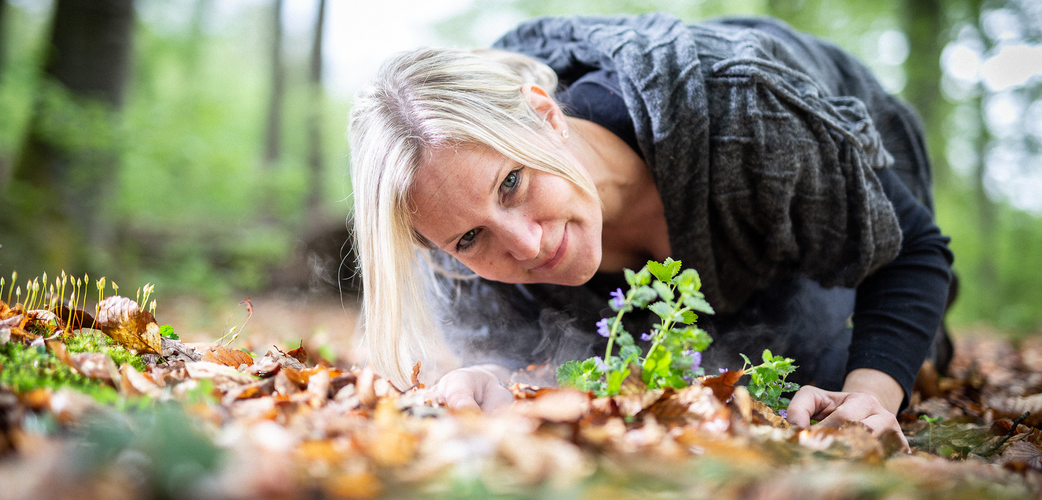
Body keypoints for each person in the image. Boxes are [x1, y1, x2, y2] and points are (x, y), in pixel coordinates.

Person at [347, 13, 953, 448]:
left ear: (546, 115)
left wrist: (873, 392)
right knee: (739, 379)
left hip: (831, 148)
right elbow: (531, 355)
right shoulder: (446, 241)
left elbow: (911, 251)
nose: (526, 245)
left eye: (511, 183)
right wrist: (494, 378)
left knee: (838, 359)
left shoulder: (742, 111)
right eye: (469, 238)